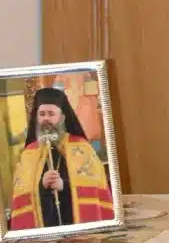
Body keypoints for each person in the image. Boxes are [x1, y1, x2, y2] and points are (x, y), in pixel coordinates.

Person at [7, 86, 114, 230]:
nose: (46, 119)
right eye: (42, 114)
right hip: (44, 230)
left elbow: (94, 187)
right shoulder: (28, 153)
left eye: (51, 114)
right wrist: (41, 185)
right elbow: (21, 196)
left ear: (62, 117)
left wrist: (64, 185)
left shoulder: (82, 148)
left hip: (75, 226)